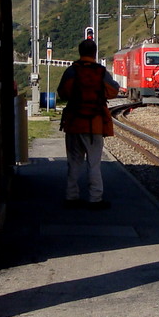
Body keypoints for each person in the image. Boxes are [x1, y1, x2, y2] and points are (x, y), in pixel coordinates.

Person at [57, 39, 120, 209]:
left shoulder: (72, 71)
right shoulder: (101, 72)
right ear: (94, 53)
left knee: (73, 162)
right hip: (95, 124)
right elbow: (113, 91)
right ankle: (95, 198)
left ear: (79, 52)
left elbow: (62, 92)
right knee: (94, 163)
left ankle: (71, 196)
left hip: (74, 122)